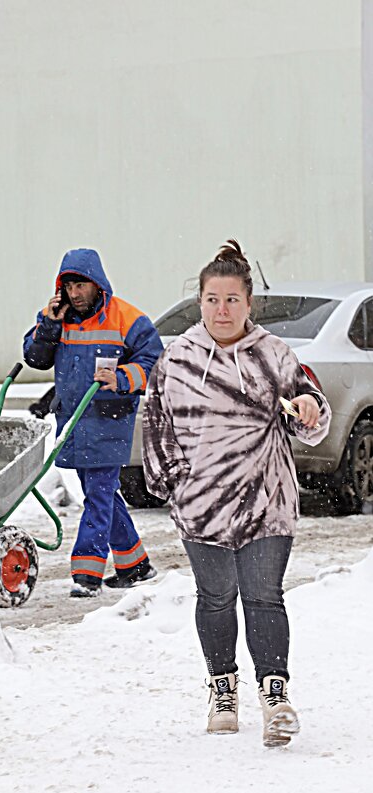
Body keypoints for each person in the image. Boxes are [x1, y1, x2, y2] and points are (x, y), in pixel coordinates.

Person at [142, 240, 331, 747]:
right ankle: (223, 689)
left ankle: (275, 696)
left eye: (231, 300)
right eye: (211, 299)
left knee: (264, 597)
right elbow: (156, 425)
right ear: (199, 301)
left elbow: (310, 406)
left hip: (266, 499)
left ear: (250, 304)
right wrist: (176, 484)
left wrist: (310, 408)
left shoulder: (275, 355)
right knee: (217, 597)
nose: (221, 310)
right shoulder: (176, 360)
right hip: (201, 504)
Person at [23, 248, 163, 598]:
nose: (74, 294)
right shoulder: (60, 318)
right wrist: (49, 325)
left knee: (98, 498)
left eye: (80, 286)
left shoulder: (126, 319)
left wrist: (123, 378)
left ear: (97, 284)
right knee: (101, 496)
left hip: (109, 421)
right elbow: (34, 357)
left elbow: (154, 362)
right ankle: (136, 565)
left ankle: (87, 572)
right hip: (74, 421)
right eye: (68, 286)